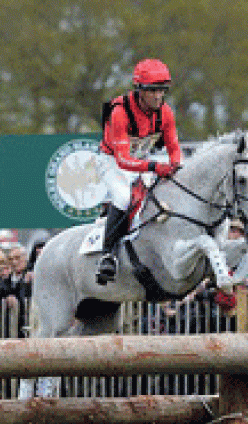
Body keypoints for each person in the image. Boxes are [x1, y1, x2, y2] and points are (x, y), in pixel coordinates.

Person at [95, 58, 182, 285]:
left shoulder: (166, 112)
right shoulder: (120, 112)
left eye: (161, 90)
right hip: (112, 161)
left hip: (142, 159)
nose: (157, 96)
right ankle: (108, 255)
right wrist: (156, 167)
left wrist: (175, 165)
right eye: (152, 90)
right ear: (139, 91)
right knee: (124, 197)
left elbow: (173, 147)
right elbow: (123, 160)